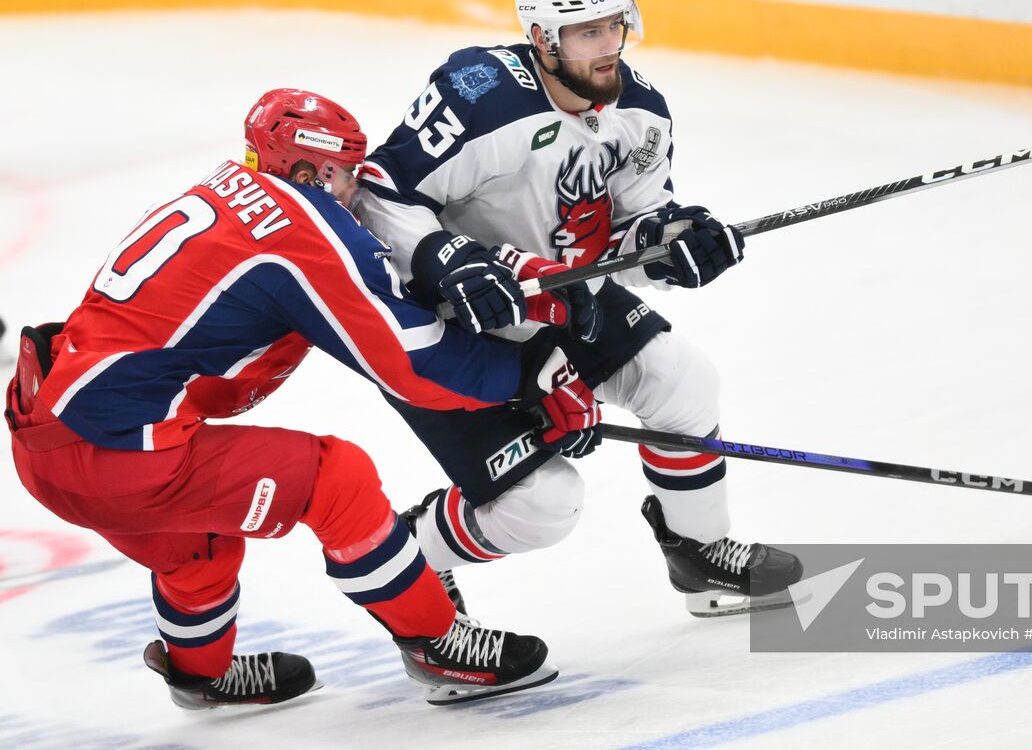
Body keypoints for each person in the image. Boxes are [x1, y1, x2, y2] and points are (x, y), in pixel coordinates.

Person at [4, 89, 601, 708]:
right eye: (345, 172)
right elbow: (411, 361)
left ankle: (199, 673)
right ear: (309, 169)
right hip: (127, 454)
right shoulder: (299, 228)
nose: (355, 191)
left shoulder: (226, 192)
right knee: (335, 478)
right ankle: (439, 644)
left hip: (45, 448)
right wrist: (529, 375)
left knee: (198, 545)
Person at [355, 0, 803, 617]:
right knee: (543, 504)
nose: (607, 47)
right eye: (587, 32)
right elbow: (378, 196)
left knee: (682, 382)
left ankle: (700, 555)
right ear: (541, 38)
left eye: (614, 26)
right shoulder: (478, 98)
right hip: (451, 328)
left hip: (560, 302)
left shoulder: (642, 112)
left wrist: (675, 244)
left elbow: (630, 231)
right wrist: (446, 257)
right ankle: (406, 555)